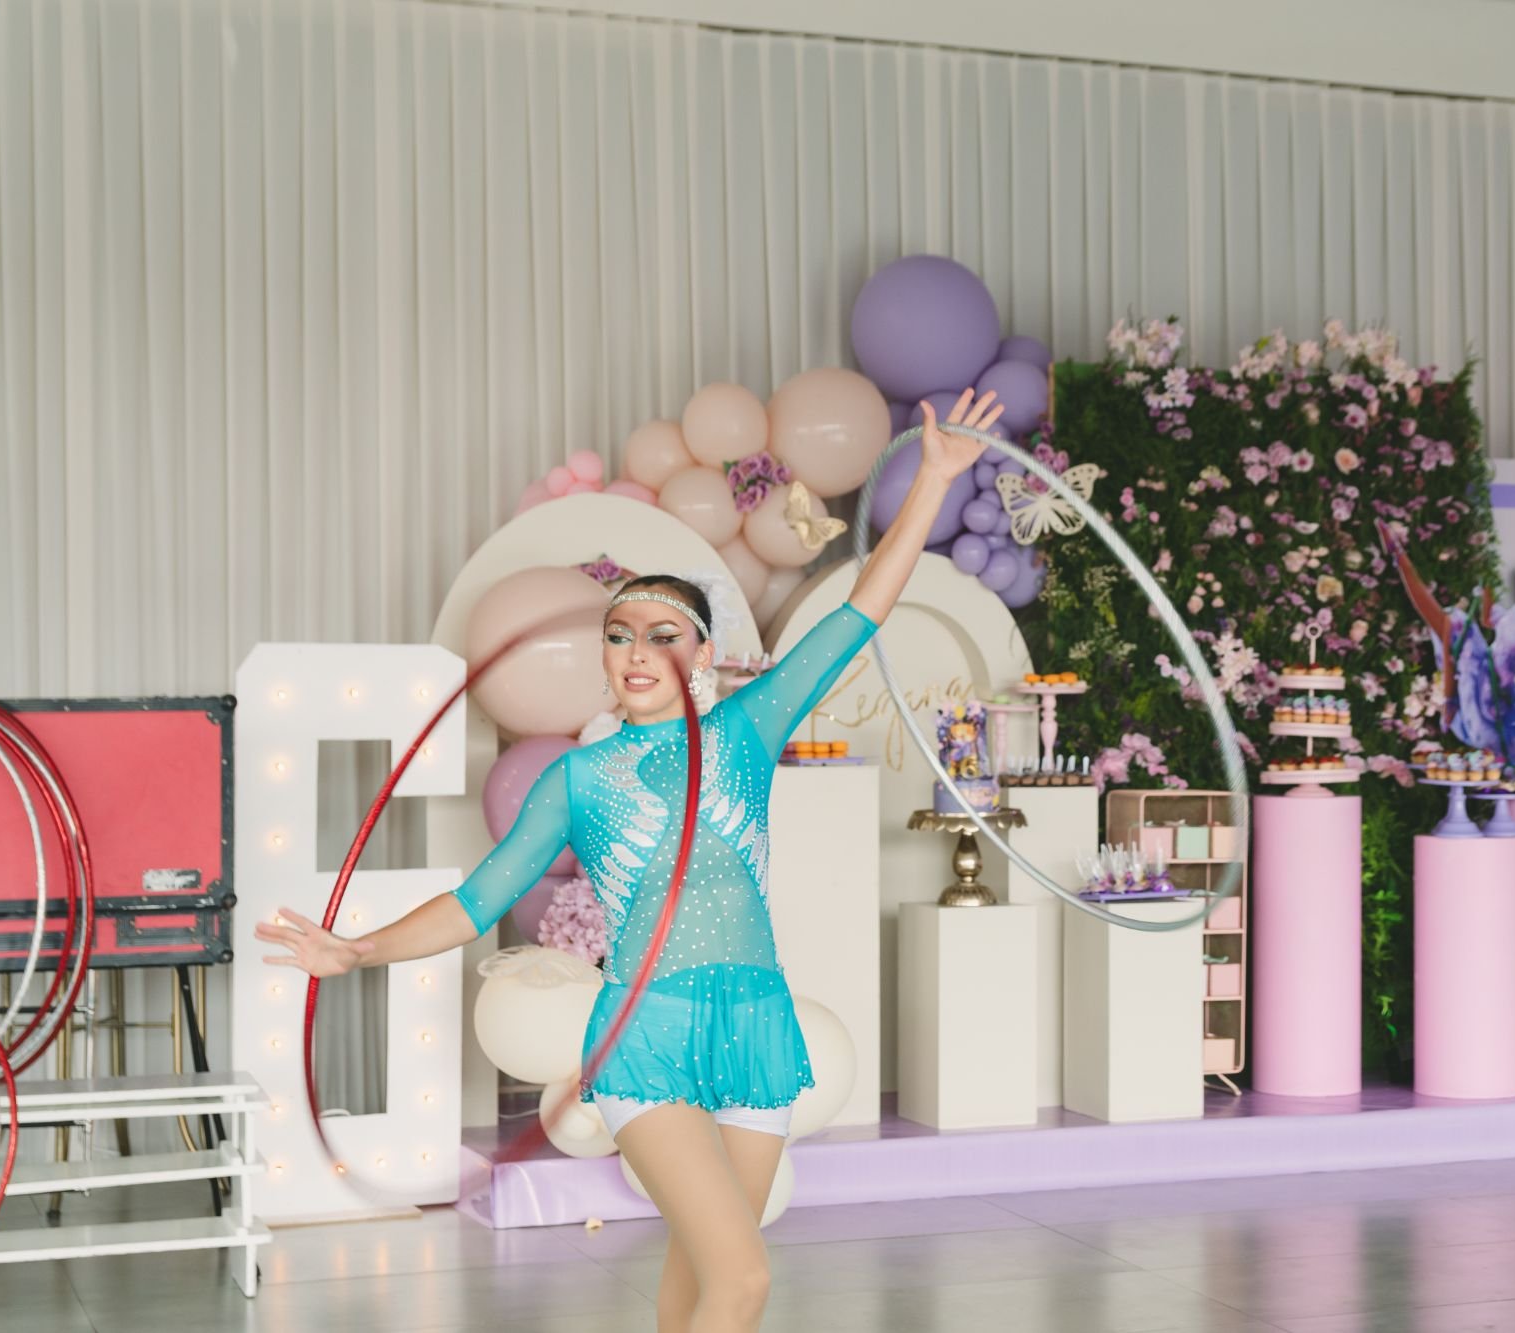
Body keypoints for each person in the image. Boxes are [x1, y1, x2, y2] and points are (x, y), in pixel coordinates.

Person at [258, 389, 1006, 1333]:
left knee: (699, 1277)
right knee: (744, 1280)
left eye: (662, 635)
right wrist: (360, 950)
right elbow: (476, 899)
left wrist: (933, 480)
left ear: (702, 653)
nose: (637, 652)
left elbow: (860, 613)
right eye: (619, 636)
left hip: (756, 1024)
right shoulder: (577, 778)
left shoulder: (747, 730)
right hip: (645, 1035)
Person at [1378, 519, 1515, 767]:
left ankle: (1400, 558)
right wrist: (1486, 577)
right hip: (1480, 665)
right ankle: (1400, 558)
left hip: (1494, 691)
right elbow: (1487, 617)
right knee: (1452, 622)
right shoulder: (1512, 616)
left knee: (1452, 625)